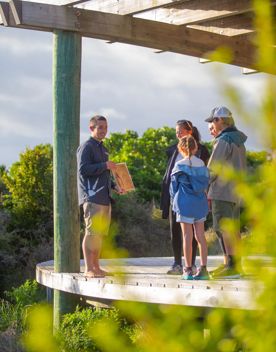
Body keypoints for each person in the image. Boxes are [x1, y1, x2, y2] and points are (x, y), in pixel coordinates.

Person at [160, 119, 209, 275]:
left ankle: (187, 268)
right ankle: (203, 268)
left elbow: (173, 186)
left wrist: (174, 200)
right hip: (199, 204)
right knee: (200, 236)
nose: (177, 134)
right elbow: (207, 180)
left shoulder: (180, 164)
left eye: (180, 131)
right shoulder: (201, 163)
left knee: (187, 236)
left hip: (183, 203)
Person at [77, 115, 123, 278]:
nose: (104, 130)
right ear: (91, 128)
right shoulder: (86, 147)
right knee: (91, 233)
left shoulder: (103, 148)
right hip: (91, 197)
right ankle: (88, 268)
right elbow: (83, 170)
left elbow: (103, 174)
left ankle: (96, 267)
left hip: (104, 197)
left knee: (100, 234)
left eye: (106, 127)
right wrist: (105, 165)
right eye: (100, 127)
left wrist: (115, 186)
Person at [205, 106, 247, 279]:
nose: (212, 124)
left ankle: (232, 267)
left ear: (220, 120)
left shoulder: (223, 140)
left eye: (213, 120)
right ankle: (232, 265)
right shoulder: (238, 140)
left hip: (222, 191)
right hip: (236, 192)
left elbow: (213, 168)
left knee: (223, 229)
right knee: (233, 229)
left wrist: (203, 187)